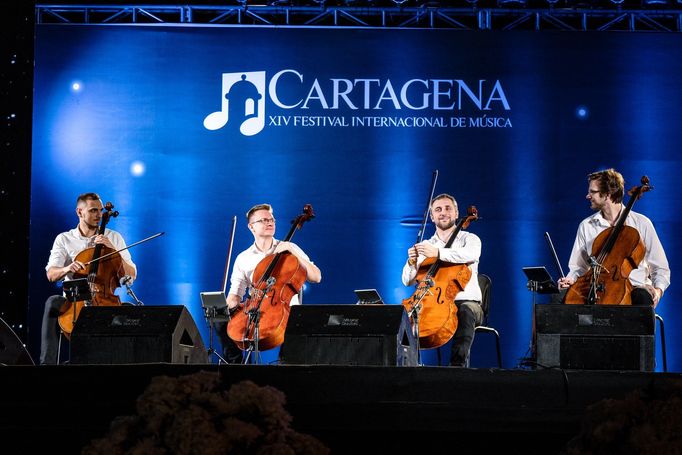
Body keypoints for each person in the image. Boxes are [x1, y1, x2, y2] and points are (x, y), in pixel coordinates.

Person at [216, 203, 322, 363]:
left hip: (288, 311)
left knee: (297, 323)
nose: (270, 222)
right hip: (256, 308)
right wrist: (221, 308)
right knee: (219, 319)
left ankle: (285, 367)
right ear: (251, 227)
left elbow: (316, 276)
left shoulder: (290, 248)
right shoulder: (243, 258)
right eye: (264, 220)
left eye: (272, 219)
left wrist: (292, 252)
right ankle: (236, 368)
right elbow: (235, 295)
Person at [41, 192, 137, 365]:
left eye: (100, 211)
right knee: (52, 302)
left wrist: (113, 250)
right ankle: (46, 366)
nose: (99, 215)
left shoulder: (114, 237)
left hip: (105, 298)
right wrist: (67, 268)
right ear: (79, 212)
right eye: (93, 211)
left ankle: (124, 367)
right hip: (75, 300)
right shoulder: (64, 239)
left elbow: (132, 274)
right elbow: (51, 274)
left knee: (129, 310)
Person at [558, 169, 670, 307]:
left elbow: (661, 268)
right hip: (595, 289)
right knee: (560, 297)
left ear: (608, 194)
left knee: (642, 297)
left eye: (592, 192)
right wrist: (570, 280)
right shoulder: (586, 226)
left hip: (634, 290)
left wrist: (657, 292)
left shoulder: (642, 223)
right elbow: (578, 268)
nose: (588, 196)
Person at [402, 193, 482, 367]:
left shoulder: (469, 239)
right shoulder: (427, 244)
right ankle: (407, 366)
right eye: (438, 209)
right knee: (403, 316)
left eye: (448, 208)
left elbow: (470, 255)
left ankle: (456, 369)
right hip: (432, 302)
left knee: (466, 311)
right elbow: (407, 281)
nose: (443, 212)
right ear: (432, 216)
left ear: (456, 213)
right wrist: (411, 262)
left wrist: (438, 253)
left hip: (468, 303)